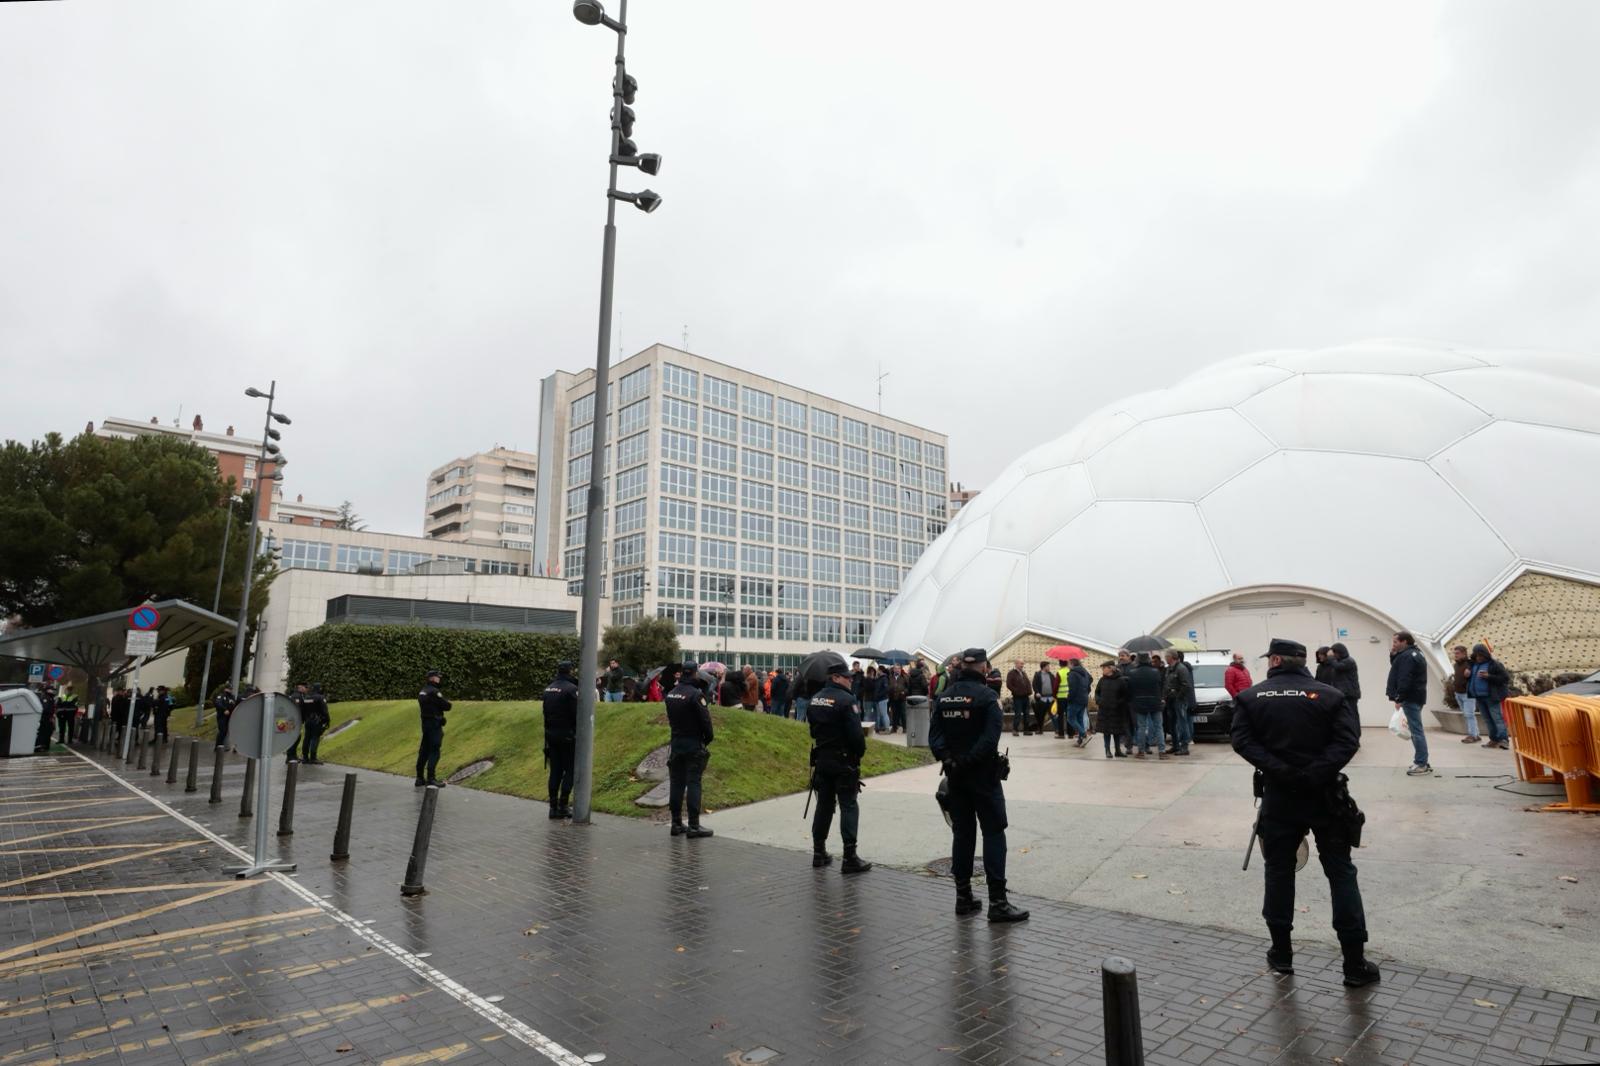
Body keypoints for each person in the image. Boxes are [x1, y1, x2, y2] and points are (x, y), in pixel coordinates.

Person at [1232, 637, 1378, 988]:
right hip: (1325, 795)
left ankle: (1281, 954)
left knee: (1279, 872)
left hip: (1280, 797)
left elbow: (1242, 741)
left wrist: (1283, 773)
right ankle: (1354, 964)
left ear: (1277, 660)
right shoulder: (1330, 695)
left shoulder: (1252, 698)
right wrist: (1314, 774)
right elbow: (1347, 741)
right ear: (1303, 661)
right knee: (1341, 873)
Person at [930, 649, 1028, 922]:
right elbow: (989, 739)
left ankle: (963, 897)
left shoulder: (944, 697)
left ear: (961, 666)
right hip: (983, 777)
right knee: (994, 833)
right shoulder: (987, 698)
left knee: (962, 835)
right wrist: (969, 761)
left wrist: (950, 760)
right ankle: (998, 902)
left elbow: (934, 737)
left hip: (956, 777)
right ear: (984, 667)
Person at [805, 654, 873, 874]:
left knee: (824, 805)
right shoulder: (846, 701)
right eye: (846, 677)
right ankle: (850, 857)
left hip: (823, 759)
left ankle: (818, 852)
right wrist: (858, 754)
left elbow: (813, 729)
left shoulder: (815, 699)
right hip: (844, 762)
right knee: (848, 805)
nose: (850, 680)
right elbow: (856, 736)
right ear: (835, 677)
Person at [663, 665, 714, 837]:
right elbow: (706, 722)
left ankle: (676, 823)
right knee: (693, 782)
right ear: (694, 673)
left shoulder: (671, 694)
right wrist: (706, 739)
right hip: (693, 743)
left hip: (676, 743)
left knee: (676, 783)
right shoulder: (695, 695)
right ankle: (693, 825)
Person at [1386, 631, 1431, 775]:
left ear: (1405, 641)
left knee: (1416, 731)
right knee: (1415, 730)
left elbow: (1404, 678)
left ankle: (1421, 763)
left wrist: (1400, 697)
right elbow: (1398, 667)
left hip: (1410, 698)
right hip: (1415, 696)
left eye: (1395, 642)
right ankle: (1421, 760)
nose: (1393, 645)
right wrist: (1393, 654)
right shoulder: (1414, 654)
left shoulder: (1408, 656)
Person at [541, 661, 579, 818]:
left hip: (551, 735)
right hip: (568, 736)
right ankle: (563, 805)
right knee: (570, 769)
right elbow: (576, 715)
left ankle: (552, 807)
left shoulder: (548, 689)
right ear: (570, 671)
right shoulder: (571, 690)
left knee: (555, 771)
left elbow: (545, 713)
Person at [1467, 644, 1511, 749]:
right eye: (1476, 656)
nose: (1479, 658)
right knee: (1487, 720)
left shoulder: (1494, 664)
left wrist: (1489, 676)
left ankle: (1503, 740)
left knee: (1497, 718)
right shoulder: (1474, 665)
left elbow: (1505, 678)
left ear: (1485, 654)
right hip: (1479, 697)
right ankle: (1494, 740)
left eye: (1480, 655)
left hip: (1491, 696)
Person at [1125, 654, 1166, 759]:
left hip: (1139, 703)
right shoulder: (1156, 672)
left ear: (1138, 661)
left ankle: (1141, 751)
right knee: (1158, 727)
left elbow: (1130, 689)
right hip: (1155, 702)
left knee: (1141, 728)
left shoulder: (1132, 673)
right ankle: (1162, 751)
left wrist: (1132, 700)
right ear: (1148, 660)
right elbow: (1160, 686)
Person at [416, 668, 451, 788]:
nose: (439, 679)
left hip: (425, 724)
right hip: (434, 724)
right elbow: (447, 706)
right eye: (438, 677)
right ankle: (431, 778)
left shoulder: (423, 691)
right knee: (435, 750)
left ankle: (419, 778)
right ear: (433, 678)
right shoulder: (434, 692)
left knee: (424, 750)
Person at [1094, 662, 1130, 758]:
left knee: (1116, 731)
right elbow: (1097, 692)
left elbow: (1125, 695)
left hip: (1116, 710)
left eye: (1104, 668)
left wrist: (1118, 703)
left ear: (1110, 668)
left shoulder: (1120, 680)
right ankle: (1107, 750)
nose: (1103, 670)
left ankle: (1118, 750)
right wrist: (1099, 701)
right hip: (1104, 710)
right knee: (1106, 732)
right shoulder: (1102, 680)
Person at [1162, 651, 1194, 756]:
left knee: (1182, 723)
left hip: (1179, 700)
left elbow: (1186, 685)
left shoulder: (1181, 668)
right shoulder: (1168, 669)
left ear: (1172, 657)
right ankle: (1175, 746)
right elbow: (1166, 684)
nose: (1165, 658)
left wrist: (1178, 696)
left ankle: (1184, 747)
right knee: (1172, 724)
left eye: (1166, 656)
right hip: (1170, 700)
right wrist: (1165, 697)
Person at [1450, 645, 1481, 744]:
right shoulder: (1456, 665)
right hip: (1458, 693)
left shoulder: (1470, 664)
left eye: (1457, 653)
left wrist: (1470, 670)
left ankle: (1472, 735)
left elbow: (1476, 663)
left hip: (1468, 694)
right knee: (1467, 715)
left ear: (1464, 654)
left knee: (1469, 715)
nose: (1455, 655)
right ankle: (1476, 734)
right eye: (1455, 653)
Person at [1327, 643, 1361, 724]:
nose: (1334, 656)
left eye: (1335, 653)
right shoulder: (1340, 661)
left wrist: (1330, 658)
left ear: (1340, 652)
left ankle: (1355, 733)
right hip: (1344, 693)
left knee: (1352, 714)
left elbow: (1338, 667)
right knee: (1345, 715)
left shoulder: (1349, 661)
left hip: (1350, 694)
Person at [1064, 656, 1093, 747]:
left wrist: (1069, 698)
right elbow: (1091, 679)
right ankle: (1080, 741)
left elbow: (1072, 689)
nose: (1067, 665)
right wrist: (1085, 690)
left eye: (1068, 663)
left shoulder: (1072, 674)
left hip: (1075, 699)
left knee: (1071, 718)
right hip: (1083, 699)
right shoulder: (1084, 671)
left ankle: (1084, 735)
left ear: (1072, 664)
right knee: (1080, 719)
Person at [301, 683, 331, 764]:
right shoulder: (320, 697)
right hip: (317, 721)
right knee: (315, 738)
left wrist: (304, 719)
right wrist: (327, 720)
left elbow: (303, 710)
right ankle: (313, 758)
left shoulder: (307, 697)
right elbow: (325, 711)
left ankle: (305, 757)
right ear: (319, 688)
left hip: (308, 721)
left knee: (307, 738)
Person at [287, 682, 313, 763]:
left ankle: (293, 756)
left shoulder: (299, 695)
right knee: (294, 738)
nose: (307, 689)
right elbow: (297, 709)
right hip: (293, 721)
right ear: (301, 687)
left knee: (296, 738)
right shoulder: (296, 696)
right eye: (306, 687)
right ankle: (290, 757)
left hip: (294, 720)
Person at [1006, 659, 1032, 736]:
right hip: (1017, 697)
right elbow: (1009, 684)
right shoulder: (1011, 673)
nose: (1022, 665)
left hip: (1026, 696)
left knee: (1027, 713)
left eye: (1022, 664)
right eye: (1021, 664)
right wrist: (1016, 691)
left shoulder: (1023, 673)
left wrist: (1029, 690)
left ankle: (1026, 730)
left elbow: (1027, 682)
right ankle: (1015, 729)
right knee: (1018, 714)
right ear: (1016, 664)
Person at [1030, 660, 1057, 735]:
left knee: (1053, 714)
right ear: (1044, 667)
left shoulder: (1051, 675)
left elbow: (1055, 684)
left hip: (1051, 698)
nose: (1049, 667)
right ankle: (1040, 729)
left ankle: (1057, 729)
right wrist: (1037, 692)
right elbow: (1034, 684)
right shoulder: (1037, 675)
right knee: (1041, 715)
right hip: (1042, 699)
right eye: (1048, 666)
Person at [213, 685, 238, 750]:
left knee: (226, 731)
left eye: (230, 689)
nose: (229, 690)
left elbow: (234, 705)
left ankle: (221, 746)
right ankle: (218, 746)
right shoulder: (221, 696)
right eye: (228, 689)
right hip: (222, 716)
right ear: (225, 689)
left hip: (229, 717)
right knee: (222, 731)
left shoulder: (232, 697)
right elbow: (218, 703)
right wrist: (224, 709)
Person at [872, 666, 891, 732]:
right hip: (878, 699)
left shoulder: (884, 678)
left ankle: (887, 728)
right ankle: (881, 728)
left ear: (880, 670)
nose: (877, 671)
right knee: (880, 715)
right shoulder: (879, 678)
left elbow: (886, 689)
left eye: (878, 670)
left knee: (884, 714)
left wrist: (879, 695)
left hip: (882, 699)